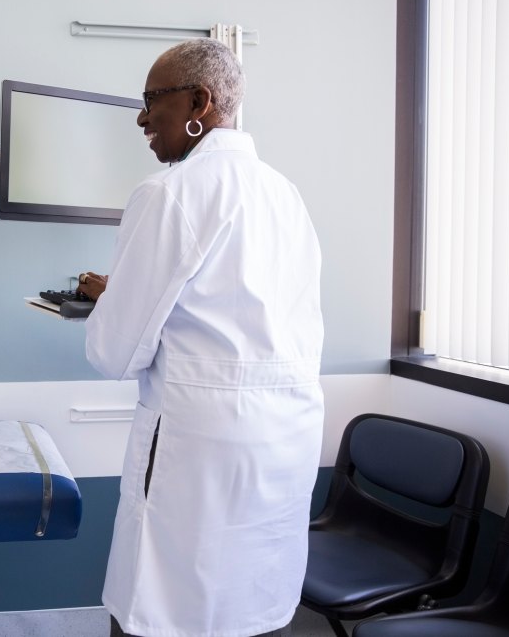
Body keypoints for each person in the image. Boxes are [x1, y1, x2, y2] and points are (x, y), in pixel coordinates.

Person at [77, 39, 324, 637]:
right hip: (285, 438)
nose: (141, 119)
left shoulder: (168, 192)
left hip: (198, 442)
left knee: (161, 608)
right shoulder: (285, 194)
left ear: (199, 101)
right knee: (250, 607)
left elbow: (113, 353)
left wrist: (109, 302)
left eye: (150, 101)